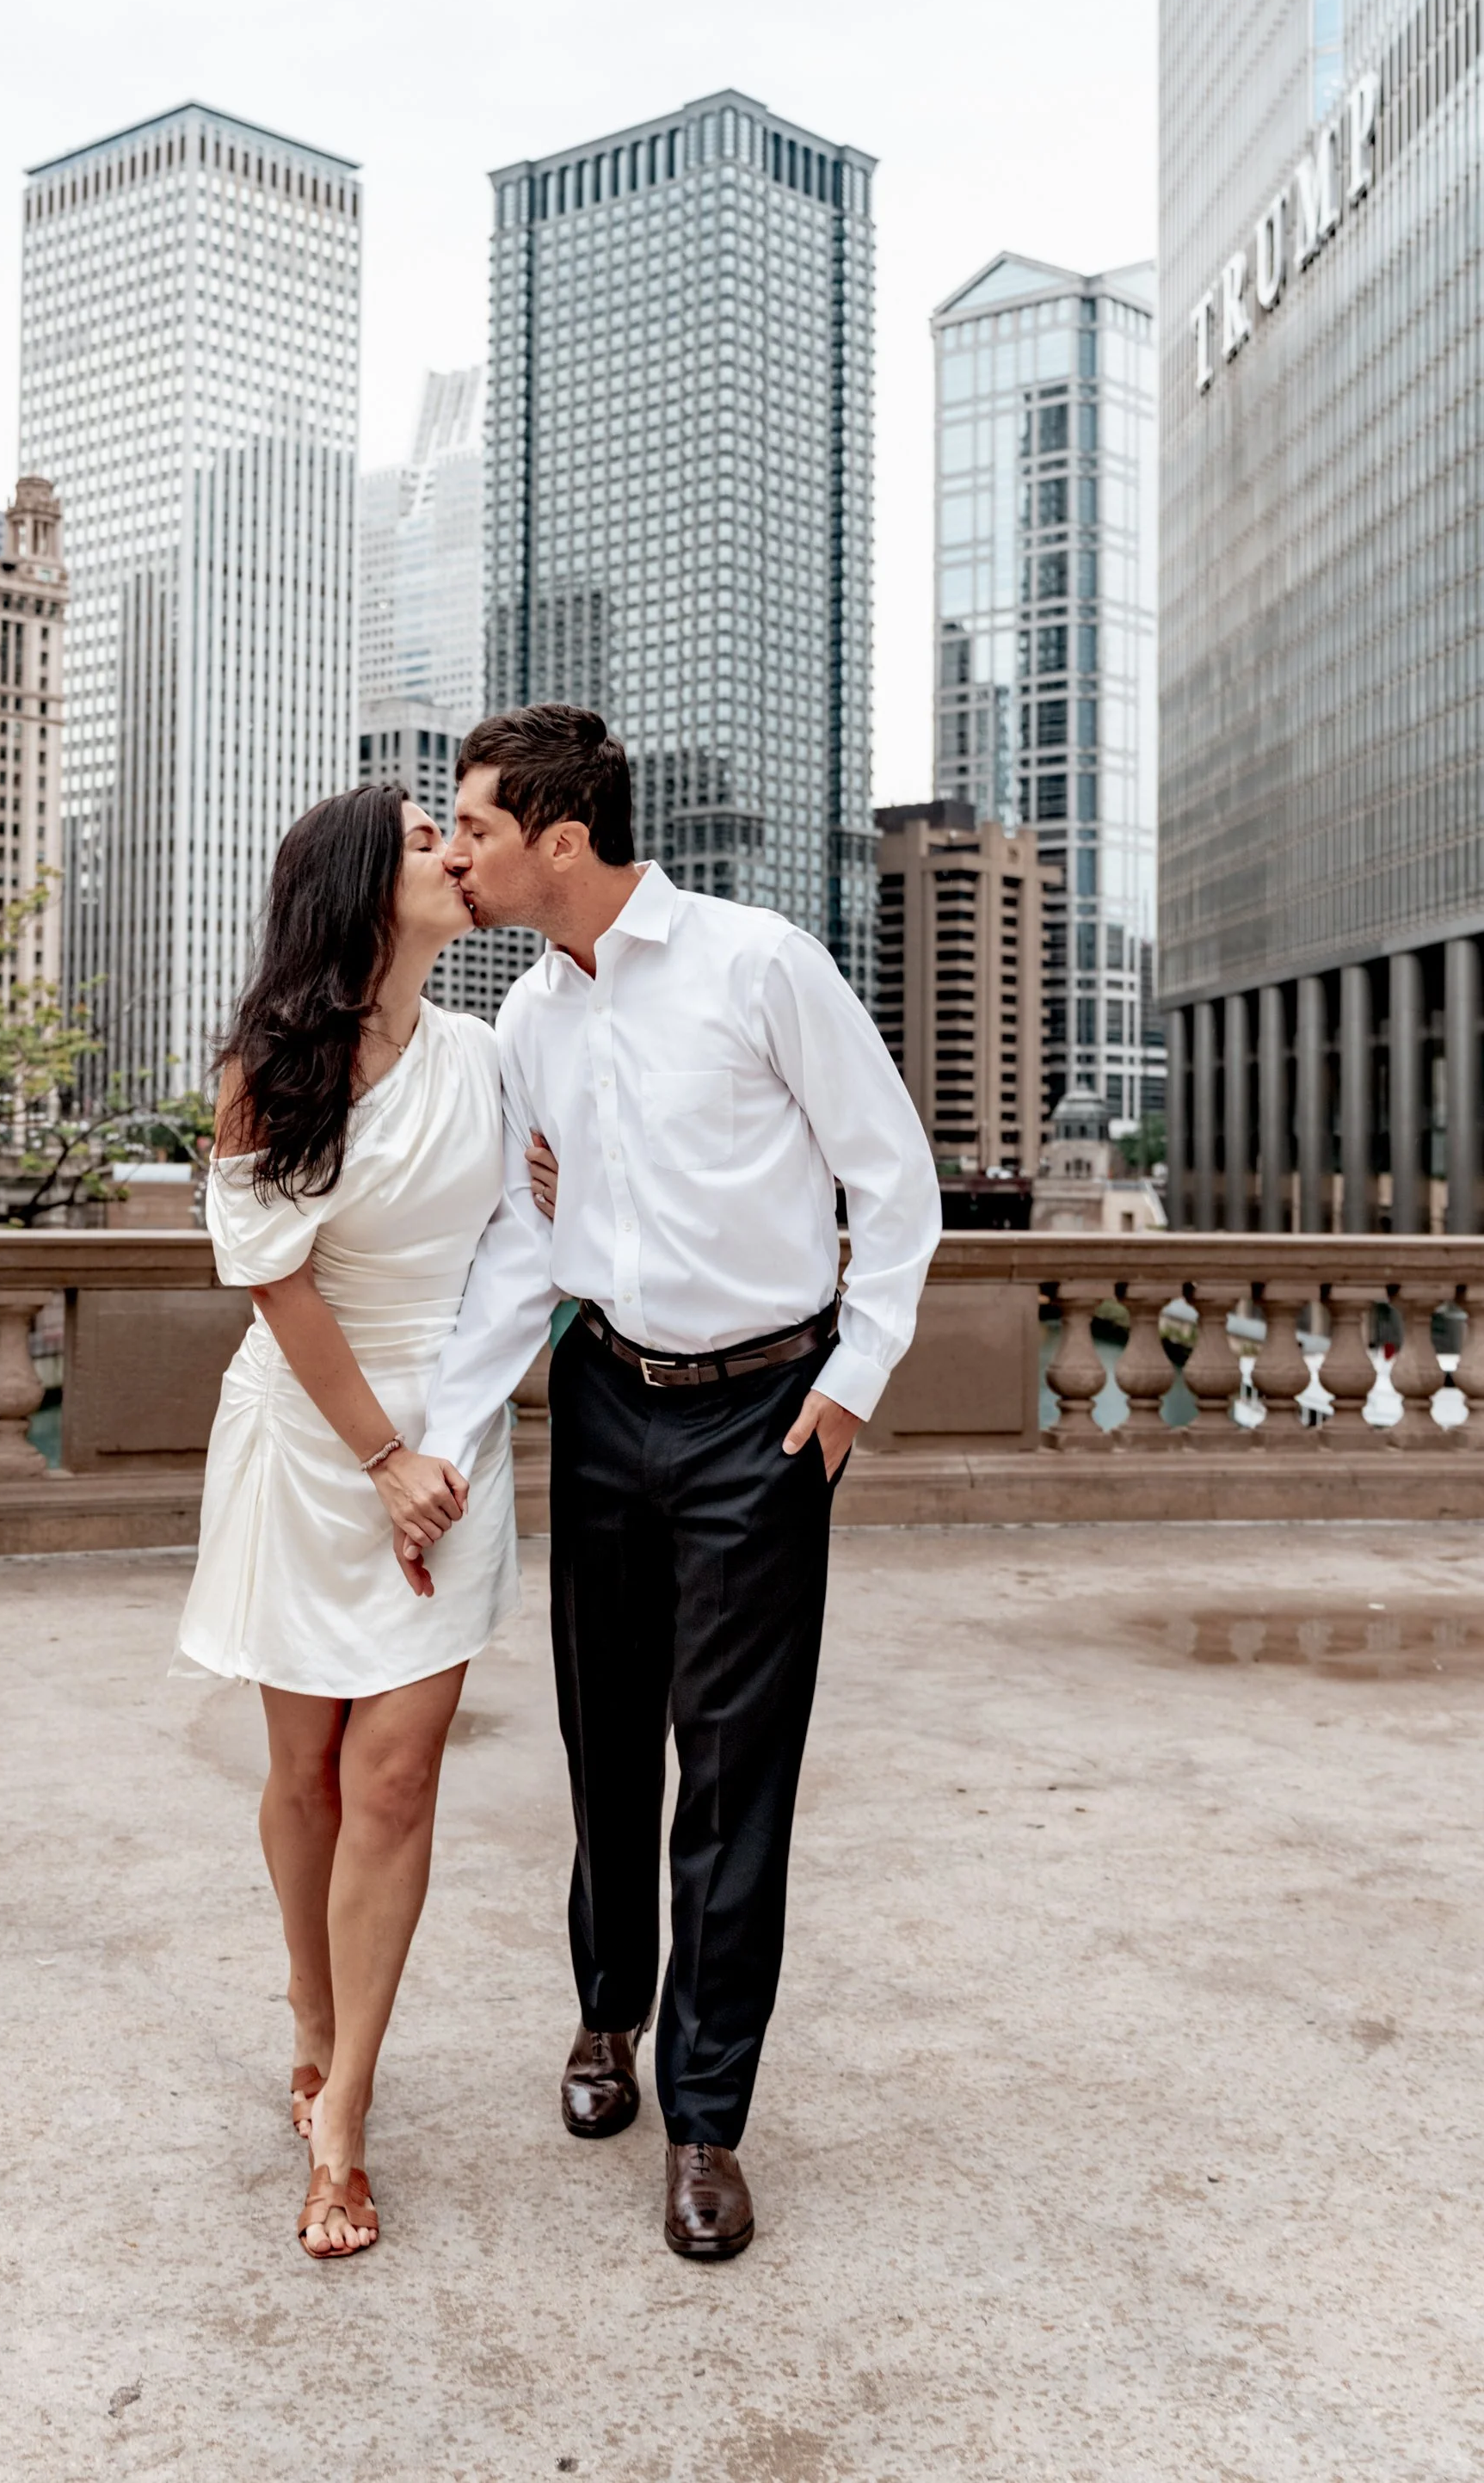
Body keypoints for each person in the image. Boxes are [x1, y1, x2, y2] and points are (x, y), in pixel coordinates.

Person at [420, 705, 940, 2262]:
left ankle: (707, 2119)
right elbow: (524, 1250)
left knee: (731, 1776)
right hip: (603, 1398)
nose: (457, 852)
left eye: (477, 829)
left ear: (561, 840)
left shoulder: (758, 961)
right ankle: (605, 2020)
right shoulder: (529, 1021)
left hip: (761, 1418)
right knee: (602, 1749)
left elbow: (893, 1177)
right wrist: (449, 1435)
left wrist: (848, 1388)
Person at [176, 783, 516, 2260]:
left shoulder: (491, 1060)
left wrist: (438, 1443)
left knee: (395, 1779)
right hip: (316, 1442)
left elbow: (534, 1237)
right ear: (363, 889)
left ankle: (347, 2114)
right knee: (306, 1767)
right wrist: (380, 1456)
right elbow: (274, 1277)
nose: (454, 856)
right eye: (427, 842)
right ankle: (309, 2012)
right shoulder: (267, 1070)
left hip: (454, 1443)